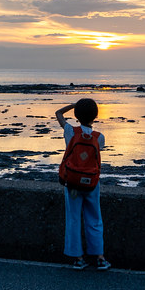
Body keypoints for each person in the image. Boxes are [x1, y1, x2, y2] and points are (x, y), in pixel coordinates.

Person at [56, 98, 111, 270]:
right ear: (95, 116)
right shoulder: (99, 137)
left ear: (76, 115)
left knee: (73, 219)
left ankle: (78, 258)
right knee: (94, 219)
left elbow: (58, 114)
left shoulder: (70, 131)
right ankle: (100, 257)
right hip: (92, 184)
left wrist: (73, 106)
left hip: (72, 183)